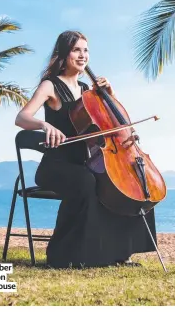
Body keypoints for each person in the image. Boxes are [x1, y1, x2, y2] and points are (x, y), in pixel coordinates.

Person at [15, 30, 157, 269]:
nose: (82, 55)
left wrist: (110, 94)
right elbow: (22, 117)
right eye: (76, 50)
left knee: (124, 182)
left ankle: (119, 253)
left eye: (85, 50)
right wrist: (44, 124)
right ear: (64, 53)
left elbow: (117, 122)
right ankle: (63, 255)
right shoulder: (50, 85)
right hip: (55, 167)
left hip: (85, 164)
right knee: (86, 182)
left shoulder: (87, 91)